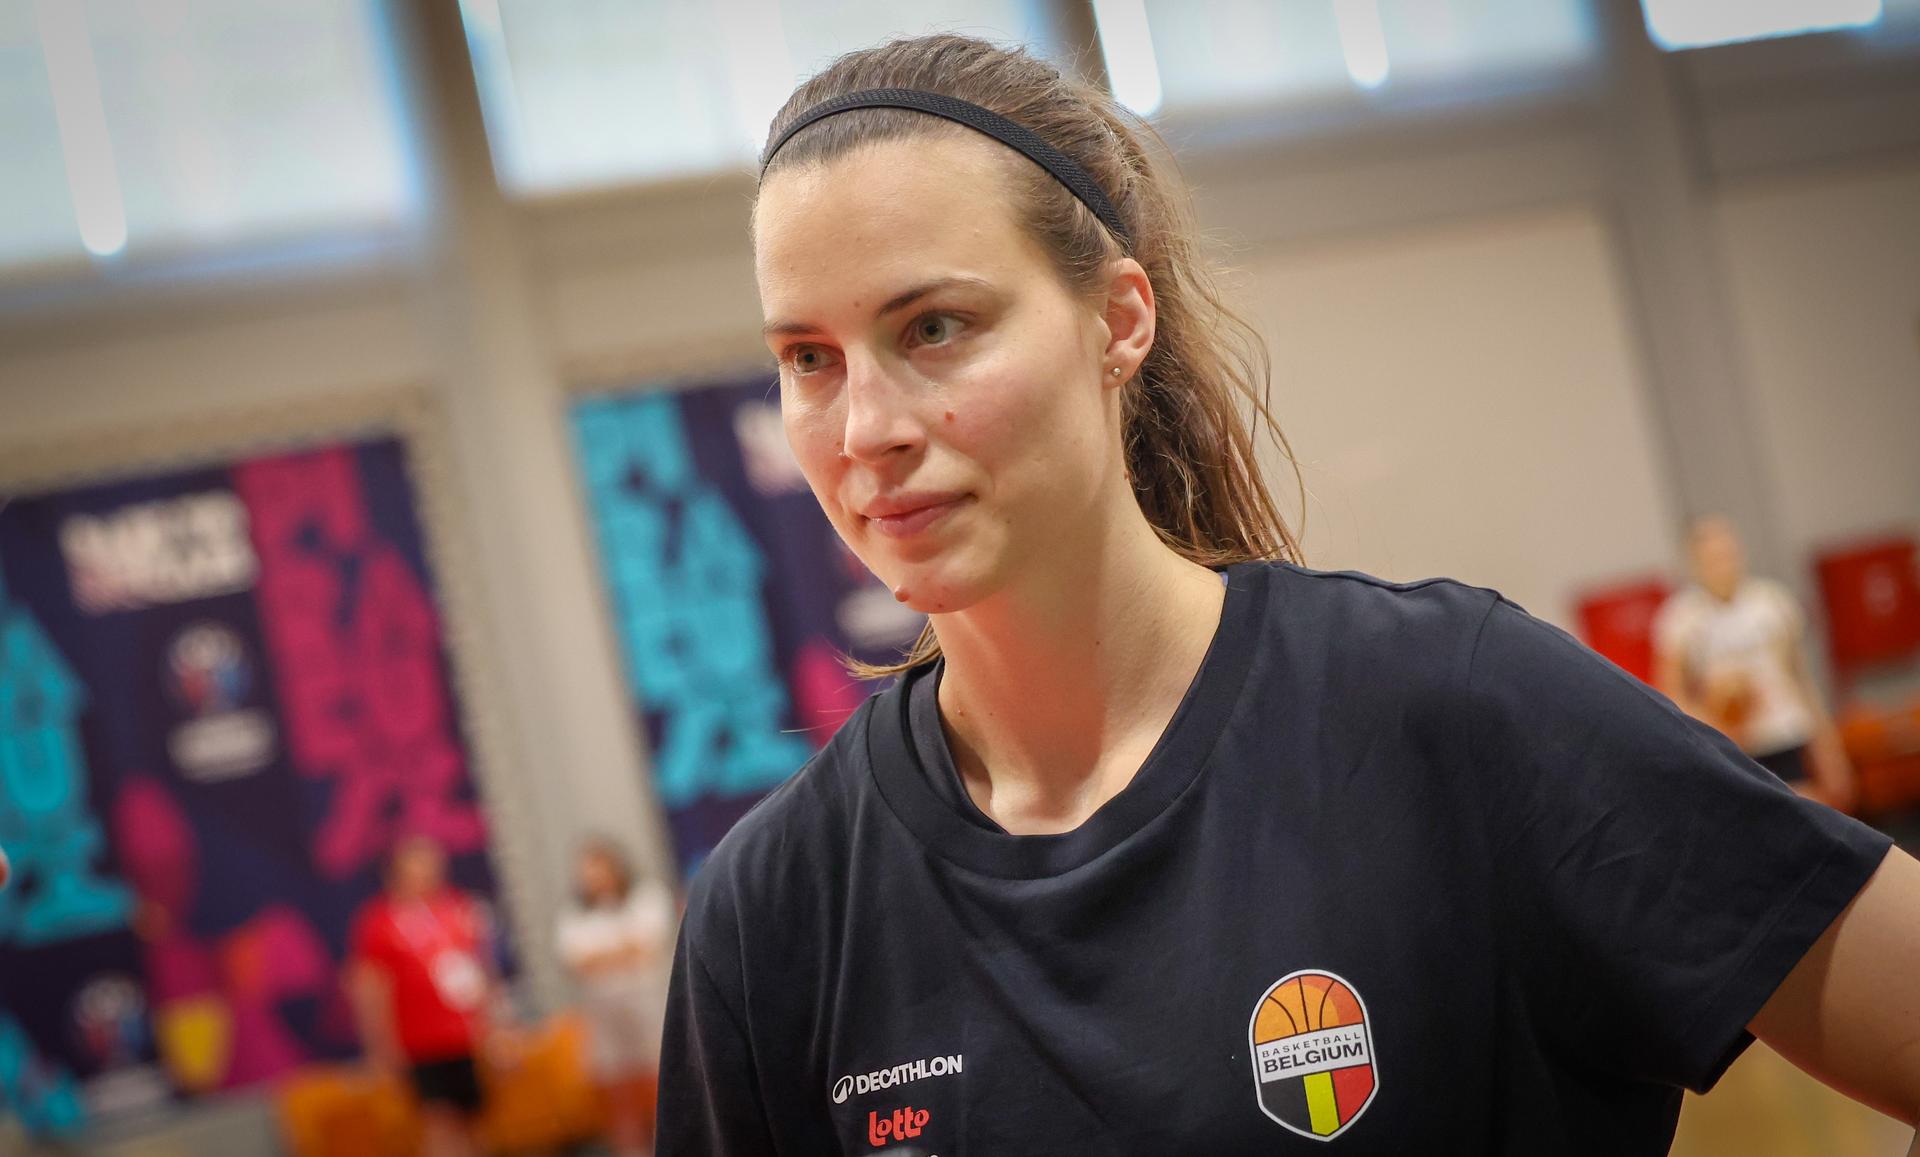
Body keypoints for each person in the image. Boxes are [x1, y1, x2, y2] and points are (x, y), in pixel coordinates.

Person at [656, 33, 1920, 1156]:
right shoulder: (774, 911)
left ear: (1119, 321)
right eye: (808, 358)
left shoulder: (1454, 711)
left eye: (934, 327)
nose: (865, 428)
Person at [1655, 514, 1856, 808]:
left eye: (1727, 553)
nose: (1723, 564)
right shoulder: (1681, 618)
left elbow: (1801, 678)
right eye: (1712, 558)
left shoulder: (1772, 601)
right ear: (1694, 562)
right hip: (1734, 747)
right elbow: (1671, 694)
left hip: (1785, 734)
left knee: (1804, 811)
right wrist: (1715, 715)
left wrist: (1828, 748)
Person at [349, 836, 499, 1157]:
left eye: (432, 866)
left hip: (464, 1037)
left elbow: (482, 971)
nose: (427, 874)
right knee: (439, 1124)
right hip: (418, 1044)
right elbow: (369, 989)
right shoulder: (379, 921)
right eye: (417, 867)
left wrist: (494, 1028)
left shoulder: (458, 907)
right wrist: (380, 1048)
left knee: (476, 1123)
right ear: (397, 873)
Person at [557, 838, 676, 1157]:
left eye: (597, 867)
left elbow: (644, 947)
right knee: (617, 1091)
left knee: (659, 1083)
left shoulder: (646, 897)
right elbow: (577, 962)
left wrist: (602, 956)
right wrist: (619, 951)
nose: (592, 876)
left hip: (649, 1008)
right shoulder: (574, 914)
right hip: (602, 1013)